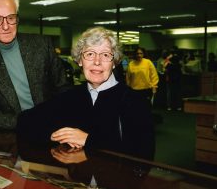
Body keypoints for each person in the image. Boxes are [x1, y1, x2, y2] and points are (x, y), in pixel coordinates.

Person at [17, 27, 155, 160]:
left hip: (116, 182)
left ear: (114, 62)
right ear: (79, 61)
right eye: (89, 54)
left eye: (105, 55)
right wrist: (54, 135)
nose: (97, 62)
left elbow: (142, 154)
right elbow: (25, 121)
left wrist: (88, 140)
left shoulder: (135, 102)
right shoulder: (70, 97)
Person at [0, 0, 71, 151]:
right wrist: (25, 122)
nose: (5, 26)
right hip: (14, 140)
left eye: (11, 18)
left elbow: (64, 90)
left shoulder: (42, 45)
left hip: (56, 136)